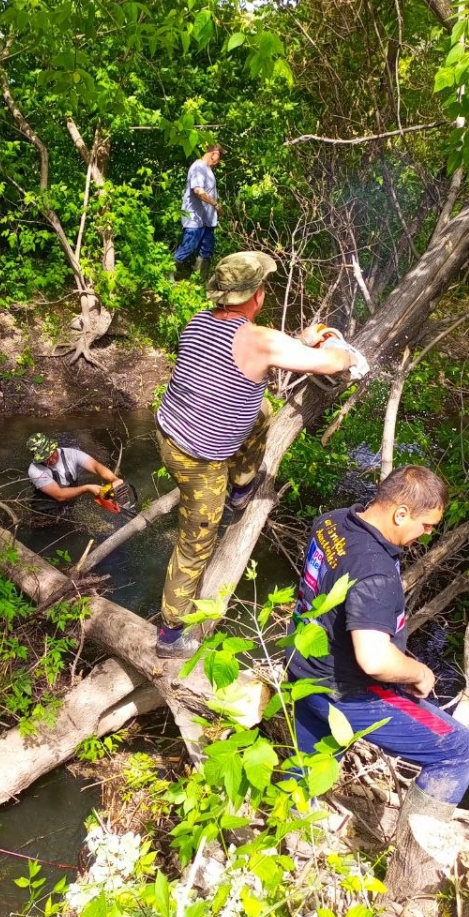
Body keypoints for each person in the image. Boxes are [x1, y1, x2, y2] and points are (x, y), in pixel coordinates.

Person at [155, 250, 369, 659]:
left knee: (262, 410)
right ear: (256, 294)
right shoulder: (260, 340)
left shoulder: (200, 320)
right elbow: (330, 363)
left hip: (169, 432)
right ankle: (169, 635)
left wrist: (298, 342)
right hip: (199, 461)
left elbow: (247, 350)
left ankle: (240, 488)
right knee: (195, 543)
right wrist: (339, 349)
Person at [286, 465, 469, 812]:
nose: (427, 534)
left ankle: (283, 829)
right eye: (426, 525)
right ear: (400, 513)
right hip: (345, 692)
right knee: (461, 752)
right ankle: (413, 856)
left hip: (302, 671)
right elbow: (374, 659)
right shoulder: (374, 571)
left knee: (307, 772)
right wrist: (419, 672)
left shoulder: (332, 521)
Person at [173, 144, 224, 282]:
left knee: (206, 251)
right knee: (188, 248)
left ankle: (200, 283)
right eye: (218, 156)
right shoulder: (198, 167)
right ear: (213, 153)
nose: (218, 161)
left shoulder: (207, 169)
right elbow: (198, 191)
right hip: (194, 218)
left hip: (207, 220)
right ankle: (166, 276)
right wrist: (216, 205)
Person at [27, 434, 123, 504]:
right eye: (45, 459)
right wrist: (87, 488)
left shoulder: (71, 454)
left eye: (51, 455)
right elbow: (59, 495)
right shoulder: (35, 471)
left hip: (69, 504)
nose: (50, 460)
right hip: (45, 513)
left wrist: (114, 479)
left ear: (54, 447)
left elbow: (95, 466)